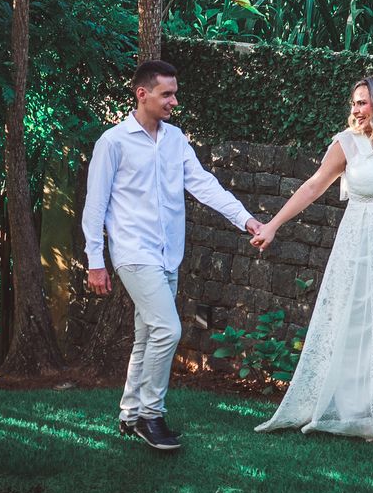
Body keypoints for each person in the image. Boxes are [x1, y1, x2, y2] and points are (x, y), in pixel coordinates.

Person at [251, 75, 373, 439]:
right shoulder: (347, 145)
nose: (355, 110)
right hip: (360, 244)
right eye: (353, 103)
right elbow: (313, 186)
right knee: (357, 319)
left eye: (362, 102)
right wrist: (274, 224)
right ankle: (350, 408)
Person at [85, 59, 265, 453]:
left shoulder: (175, 139)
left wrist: (246, 220)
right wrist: (94, 260)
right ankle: (152, 415)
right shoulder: (113, 142)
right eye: (167, 94)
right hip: (133, 251)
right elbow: (95, 206)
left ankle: (130, 414)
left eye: (174, 94)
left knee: (149, 334)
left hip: (169, 254)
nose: (173, 101)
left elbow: (204, 185)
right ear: (142, 94)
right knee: (169, 330)